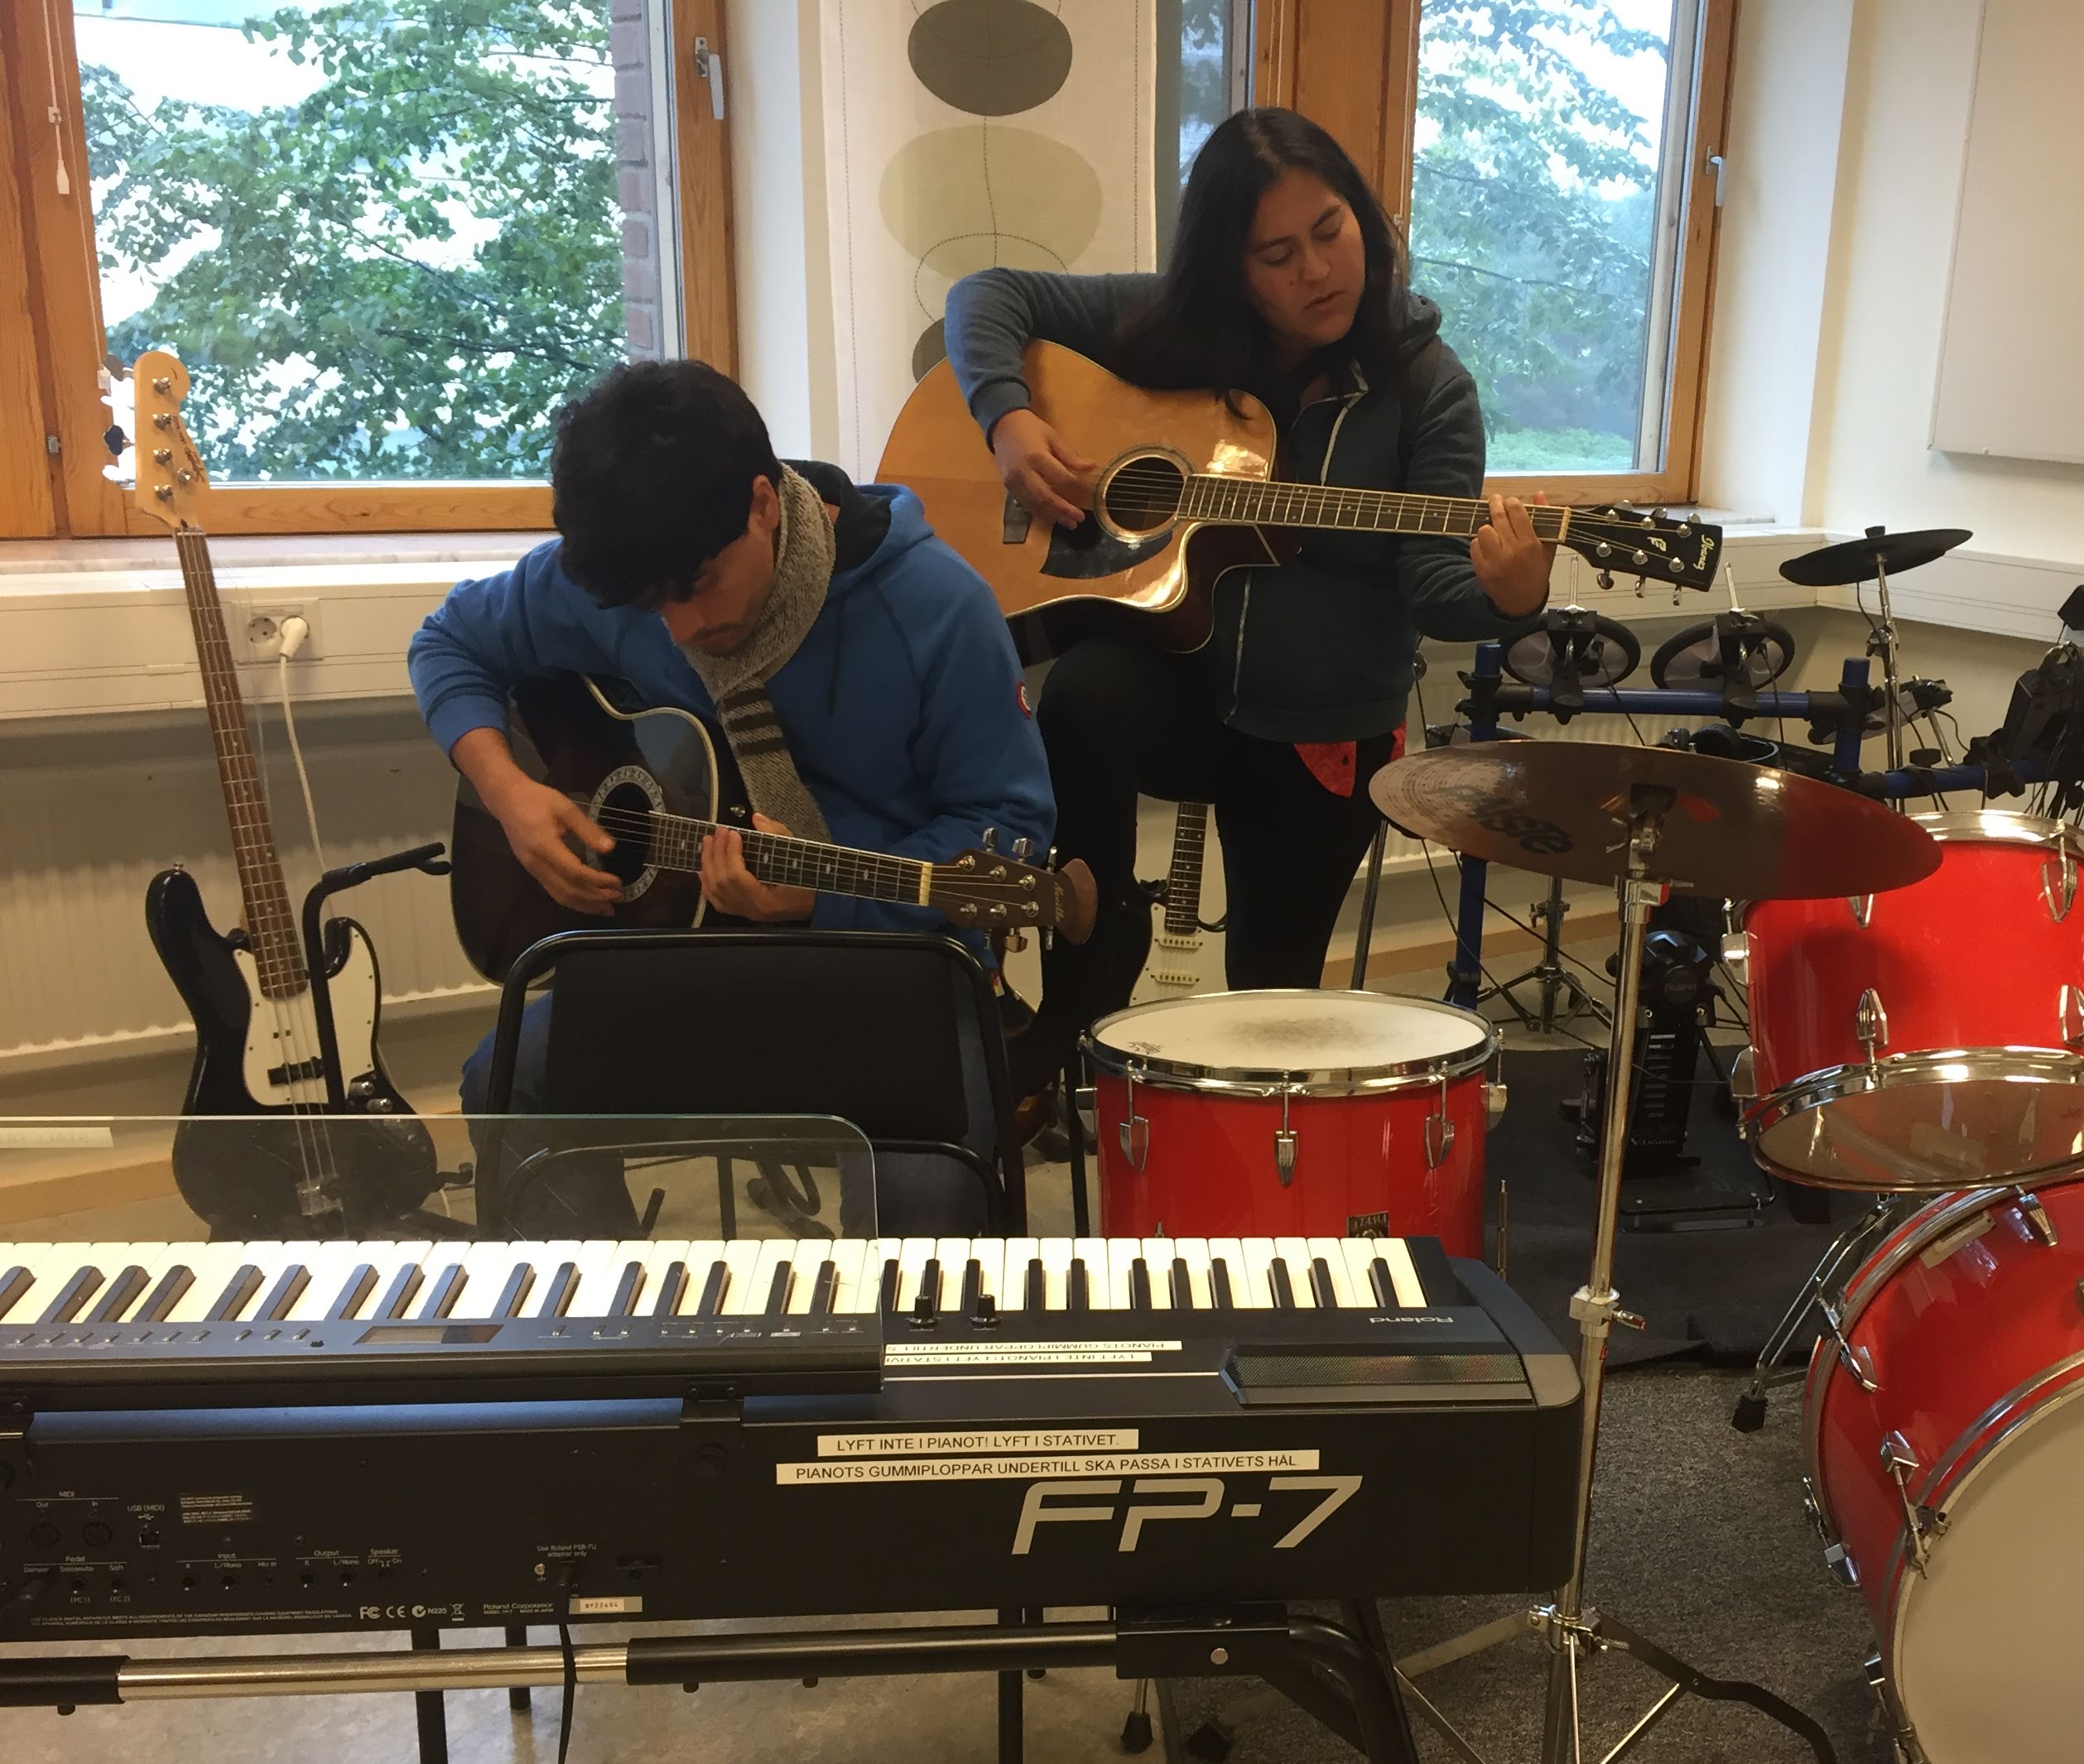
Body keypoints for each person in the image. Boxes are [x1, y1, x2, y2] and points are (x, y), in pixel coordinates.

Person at [944, 105, 1553, 1096]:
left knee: (1270, 1005)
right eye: (1277, 254)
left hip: (1321, 725)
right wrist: (1009, 420)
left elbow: (1437, 584)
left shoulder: (1429, 390)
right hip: (1180, 683)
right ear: (1232, 271)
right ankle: (1086, 987)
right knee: (1085, 695)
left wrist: (1510, 598)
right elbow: (987, 294)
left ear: (1365, 220)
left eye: (1331, 231)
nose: (1318, 270)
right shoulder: (1177, 335)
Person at [410, 358, 1057, 1122]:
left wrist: (822, 895)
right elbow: (448, 641)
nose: (684, 629)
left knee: (923, 1198)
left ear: (763, 505)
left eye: (699, 587)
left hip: (896, 962)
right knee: (506, 1082)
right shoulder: (633, 567)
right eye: (653, 606)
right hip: (683, 955)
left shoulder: (936, 606)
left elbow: (1011, 833)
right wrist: (508, 791)